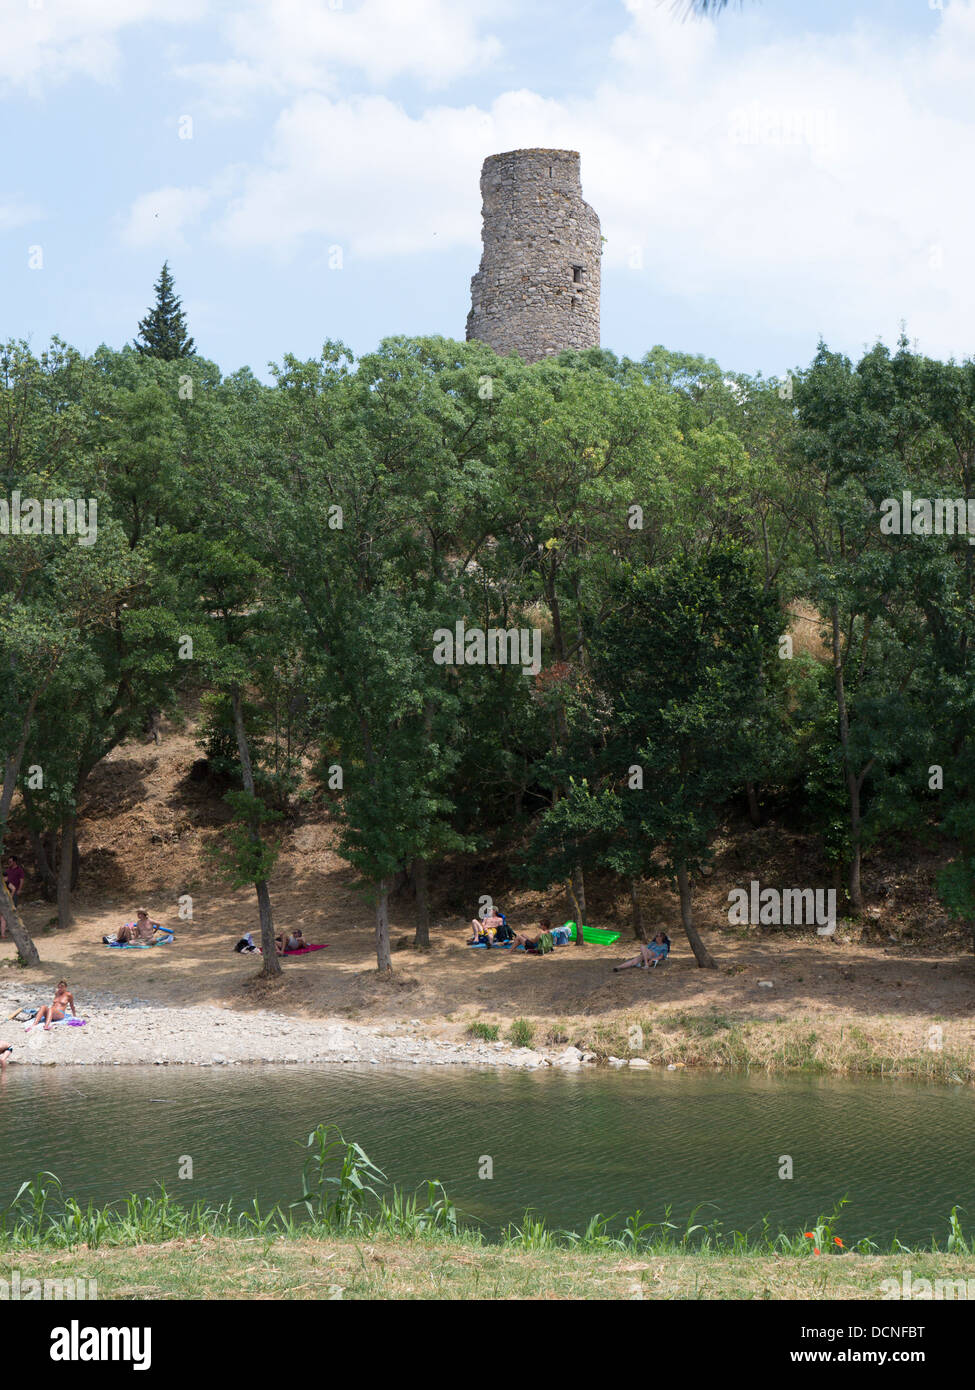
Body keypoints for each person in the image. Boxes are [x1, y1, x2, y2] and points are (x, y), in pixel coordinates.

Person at [0, 855, 24, 939]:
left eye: (10, 861)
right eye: (8, 861)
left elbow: (21, 880)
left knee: (13, 909)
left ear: (14, 861)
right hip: (6, 893)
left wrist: (19, 890)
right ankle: (5, 928)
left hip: (14, 892)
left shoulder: (19, 870)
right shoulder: (8, 870)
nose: (9, 863)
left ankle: (14, 927)